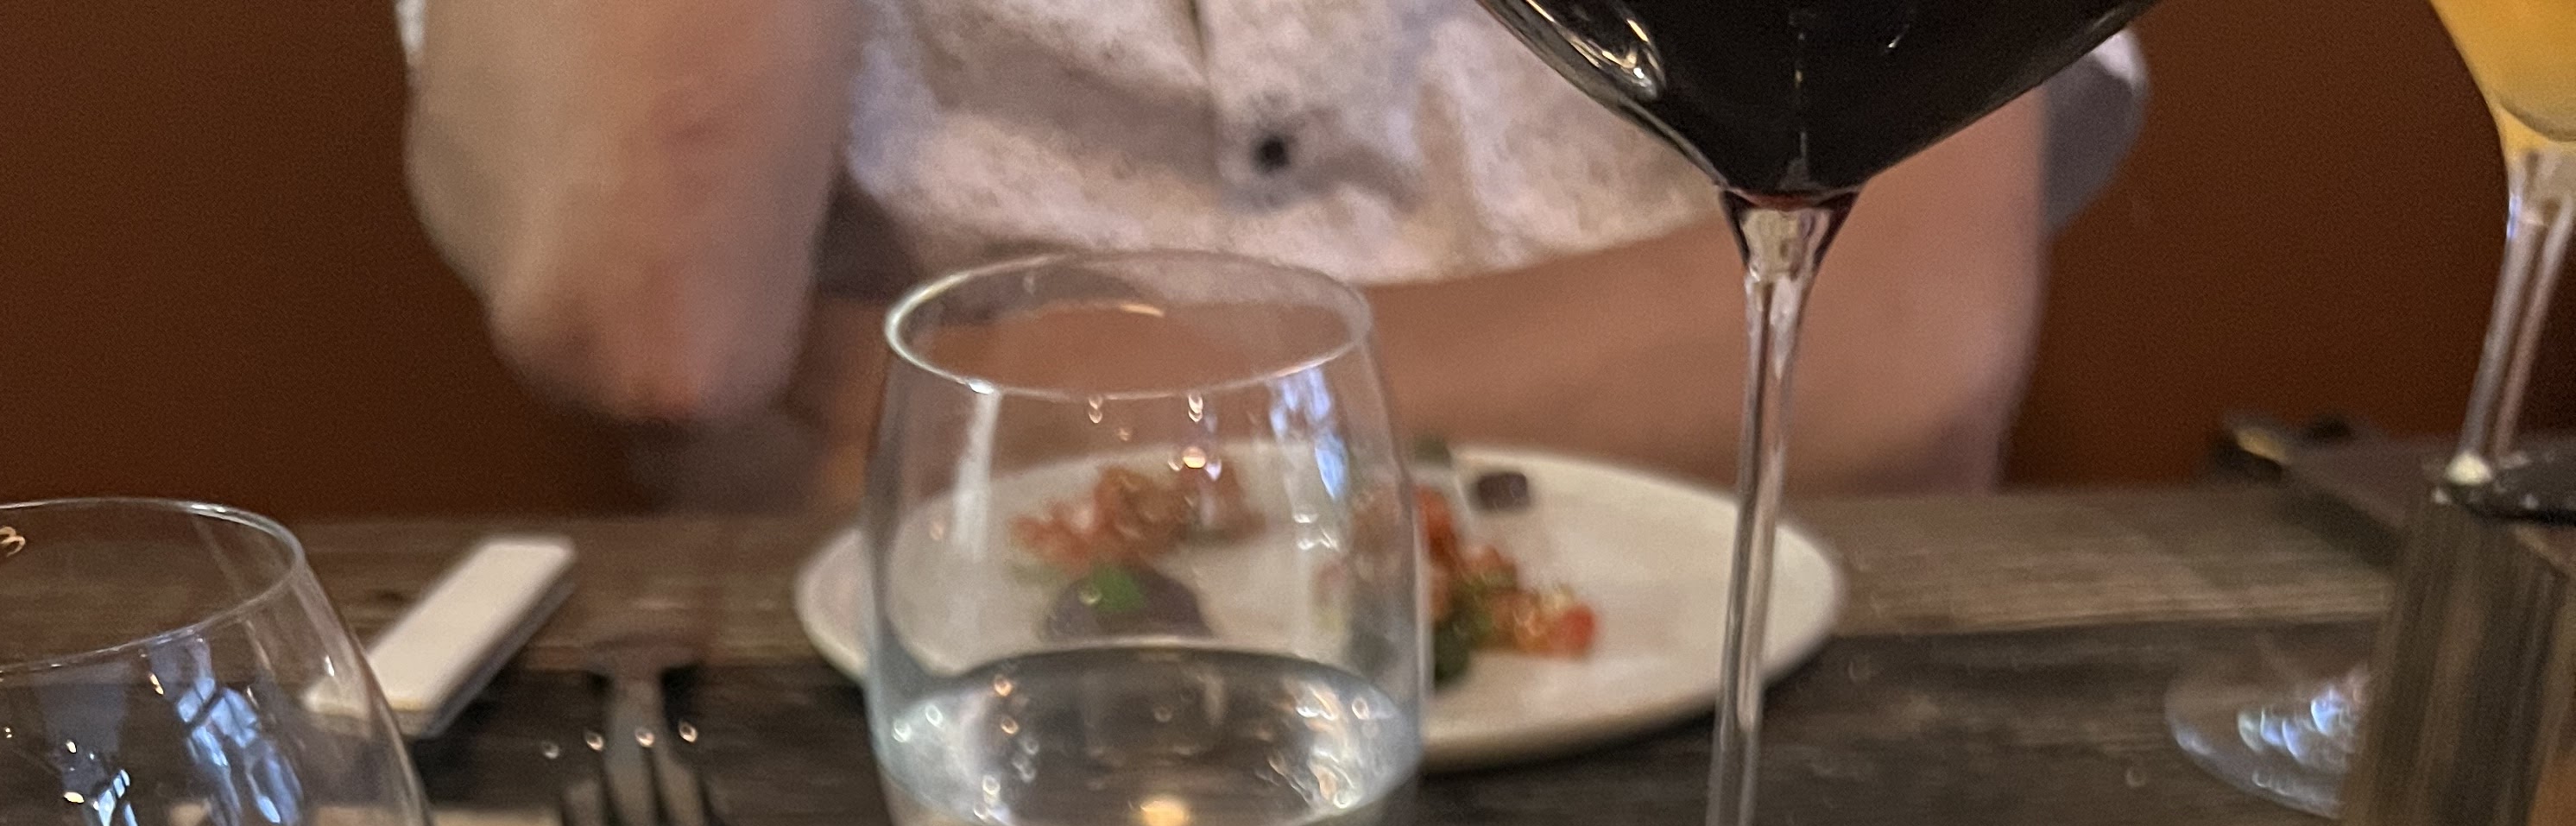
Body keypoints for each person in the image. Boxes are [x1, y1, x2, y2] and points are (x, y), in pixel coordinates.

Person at [399, 1, 2143, 512]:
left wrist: (957, 393)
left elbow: (1886, 368)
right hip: (913, 773)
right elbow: (660, 314)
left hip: (1736, 743)